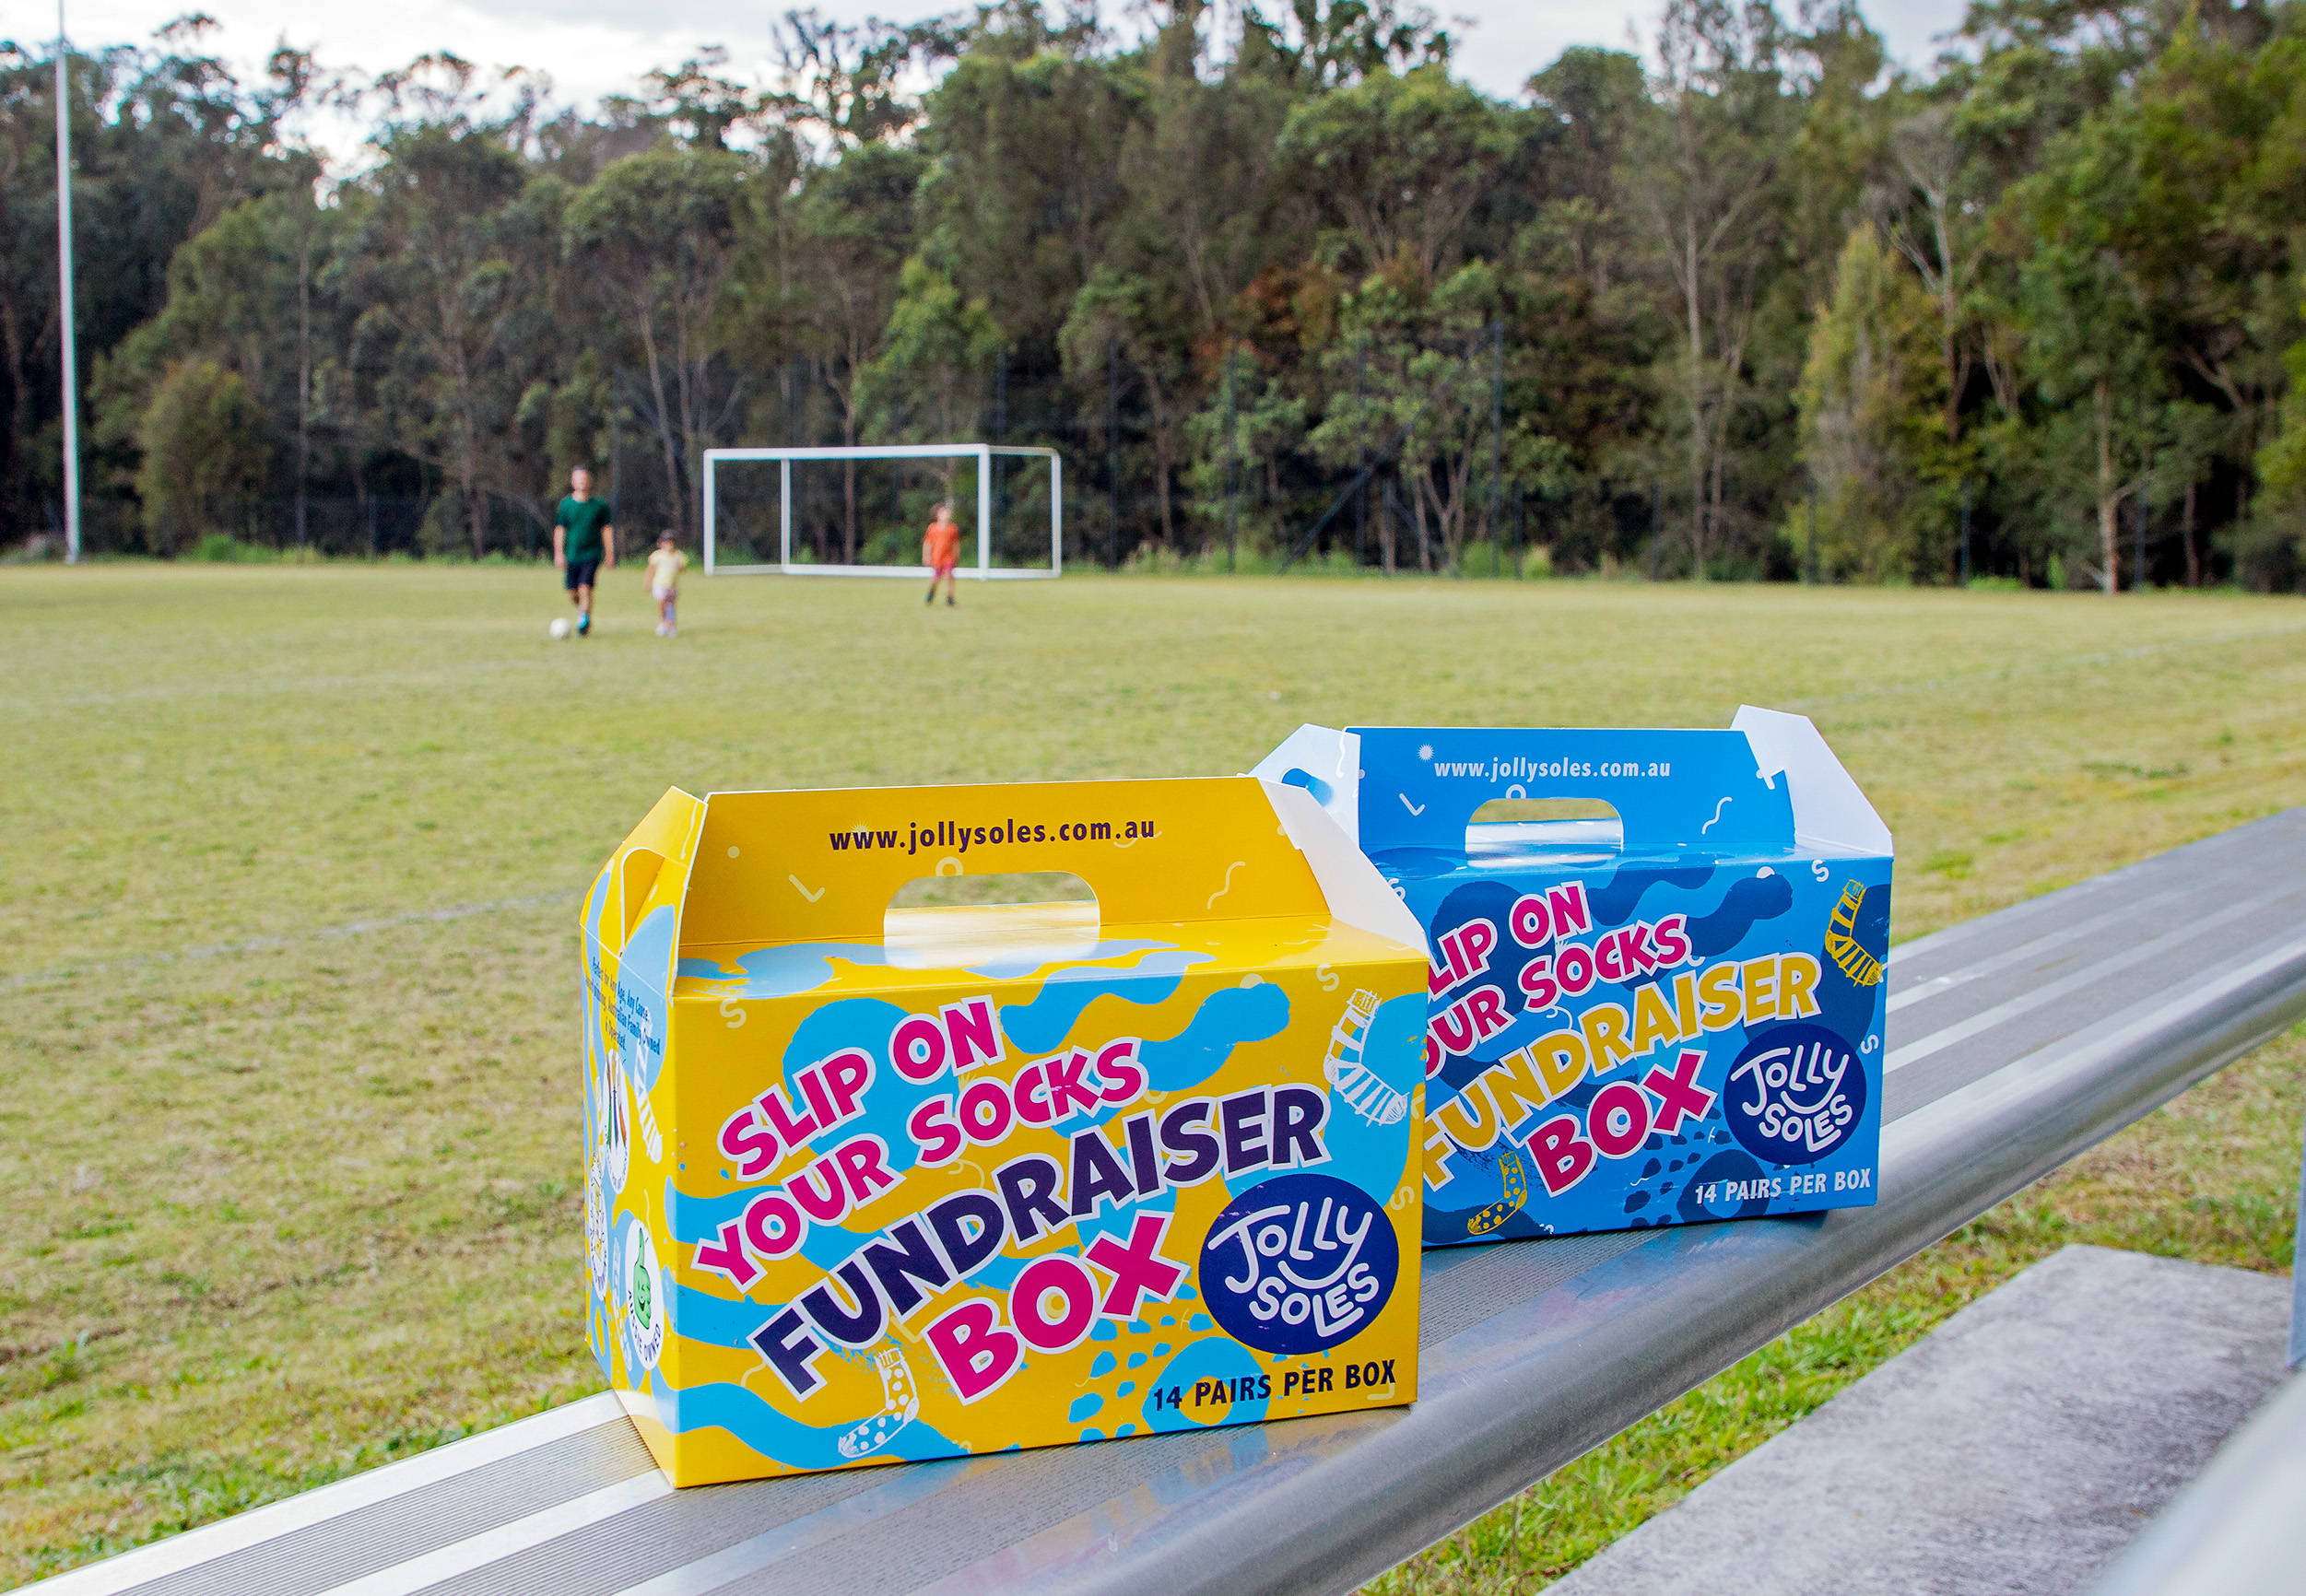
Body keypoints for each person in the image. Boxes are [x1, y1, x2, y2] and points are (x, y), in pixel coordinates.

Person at [552, 466, 616, 636]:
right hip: (572, 554)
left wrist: (610, 553)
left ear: (590, 481)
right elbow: (560, 529)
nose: (582, 482)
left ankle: (583, 621)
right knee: (573, 592)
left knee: (585, 588)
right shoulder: (566, 505)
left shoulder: (599, 506)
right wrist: (559, 553)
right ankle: (584, 612)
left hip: (592, 553)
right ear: (573, 482)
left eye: (585, 479)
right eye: (579, 479)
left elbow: (607, 530)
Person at [645, 532, 688, 638]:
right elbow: (651, 570)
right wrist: (647, 583)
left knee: (671, 605)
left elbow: (682, 569)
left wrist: (680, 567)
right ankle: (663, 622)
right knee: (662, 603)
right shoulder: (657, 556)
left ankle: (671, 625)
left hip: (672, 585)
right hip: (659, 584)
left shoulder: (678, 556)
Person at [923, 500, 962, 607]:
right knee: (936, 578)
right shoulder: (932, 528)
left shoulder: (953, 528)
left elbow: (956, 544)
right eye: (943, 512)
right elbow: (927, 543)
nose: (946, 514)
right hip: (937, 558)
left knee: (949, 576)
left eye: (947, 512)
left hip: (948, 557)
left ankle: (950, 597)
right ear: (937, 515)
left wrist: (956, 556)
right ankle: (932, 592)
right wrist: (926, 556)